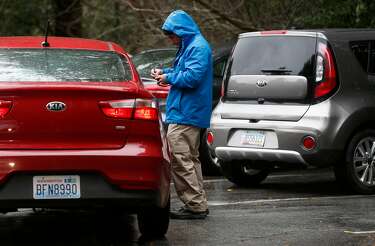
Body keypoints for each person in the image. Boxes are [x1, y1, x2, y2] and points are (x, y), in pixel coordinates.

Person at [151, 10, 212, 220]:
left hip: (187, 112)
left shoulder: (197, 47)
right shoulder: (190, 46)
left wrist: (168, 77)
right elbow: (184, 71)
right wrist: (165, 72)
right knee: (190, 159)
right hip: (185, 111)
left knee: (179, 159)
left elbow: (192, 77)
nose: (170, 39)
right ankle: (198, 203)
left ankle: (195, 206)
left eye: (171, 35)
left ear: (181, 31)